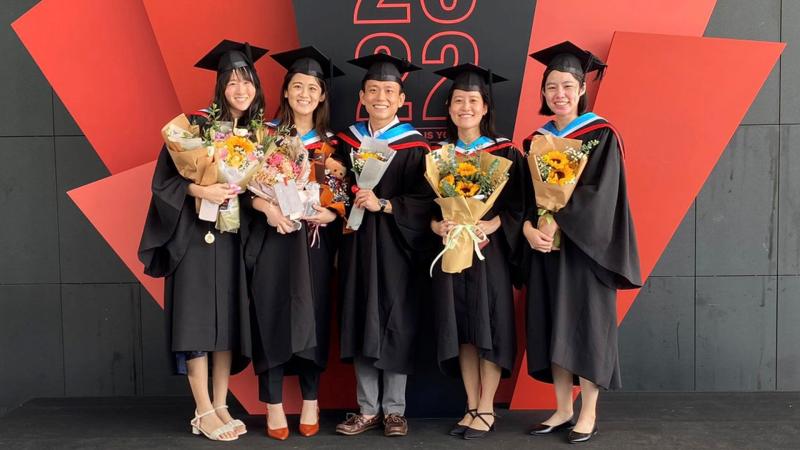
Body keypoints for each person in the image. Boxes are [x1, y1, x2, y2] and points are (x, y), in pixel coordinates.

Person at [138, 39, 267, 442]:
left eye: (247, 82)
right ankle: (203, 409)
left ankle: (222, 403)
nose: (240, 90)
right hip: (194, 237)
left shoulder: (260, 135)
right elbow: (164, 183)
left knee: (228, 320)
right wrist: (201, 190)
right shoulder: (195, 128)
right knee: (195, 319)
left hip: (232, 236)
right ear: (221, 86)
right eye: (232, 82)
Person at [521, 41, 642, 444]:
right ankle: (562, 408)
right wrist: (529, 227)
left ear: (582, 89)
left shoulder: (600, 135)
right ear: (543, 93)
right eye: (552, 87)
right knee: (553, 325)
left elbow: (603, 194)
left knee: (586, 328)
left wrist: (559, 218)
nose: (559, 94)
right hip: (546, 249)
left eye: (567, 86)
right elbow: (524, 196)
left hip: (587, 251)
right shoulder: (534, 141)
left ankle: (587, 412)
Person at [241, 46, 345, 440]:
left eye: (312, 88)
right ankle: (272, 404)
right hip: (273, 239)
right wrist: (267, 208)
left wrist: (332, 214)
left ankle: (311, 401)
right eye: (297, 86)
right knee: (270, 312)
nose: (304, 94)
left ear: (322, 96)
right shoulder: (265, 137)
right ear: (285, 91)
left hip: (314, 243)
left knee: (313, 314)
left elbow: (343, 195)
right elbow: (243, 190)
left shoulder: (333, 146)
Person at [334, 53, 434, 438]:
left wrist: (386, 204)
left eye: (389, 91)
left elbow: (426, 199)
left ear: (401, 99)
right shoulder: (346, 142)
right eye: (373, 90)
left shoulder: (414, 146)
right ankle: (366, 409)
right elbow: (331, 190)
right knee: (361, 318)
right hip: (356, 245)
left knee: (396, 321)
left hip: (397, 248)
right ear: (361, 96)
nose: (381, 97)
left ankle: (394, 410)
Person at [429, 63, 526, 439]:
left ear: (485, 107)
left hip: (490, 255)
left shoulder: (506, 152)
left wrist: (493, 224)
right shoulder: (439, 156)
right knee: (464, 330)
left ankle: (487, 407)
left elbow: (521, 207)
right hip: (453, 251)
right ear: (449, 107)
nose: (465, 107)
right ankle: (470, 405)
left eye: (473, 100)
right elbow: (426, 209)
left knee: (488, 326)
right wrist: (437, 226)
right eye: (458, 100)